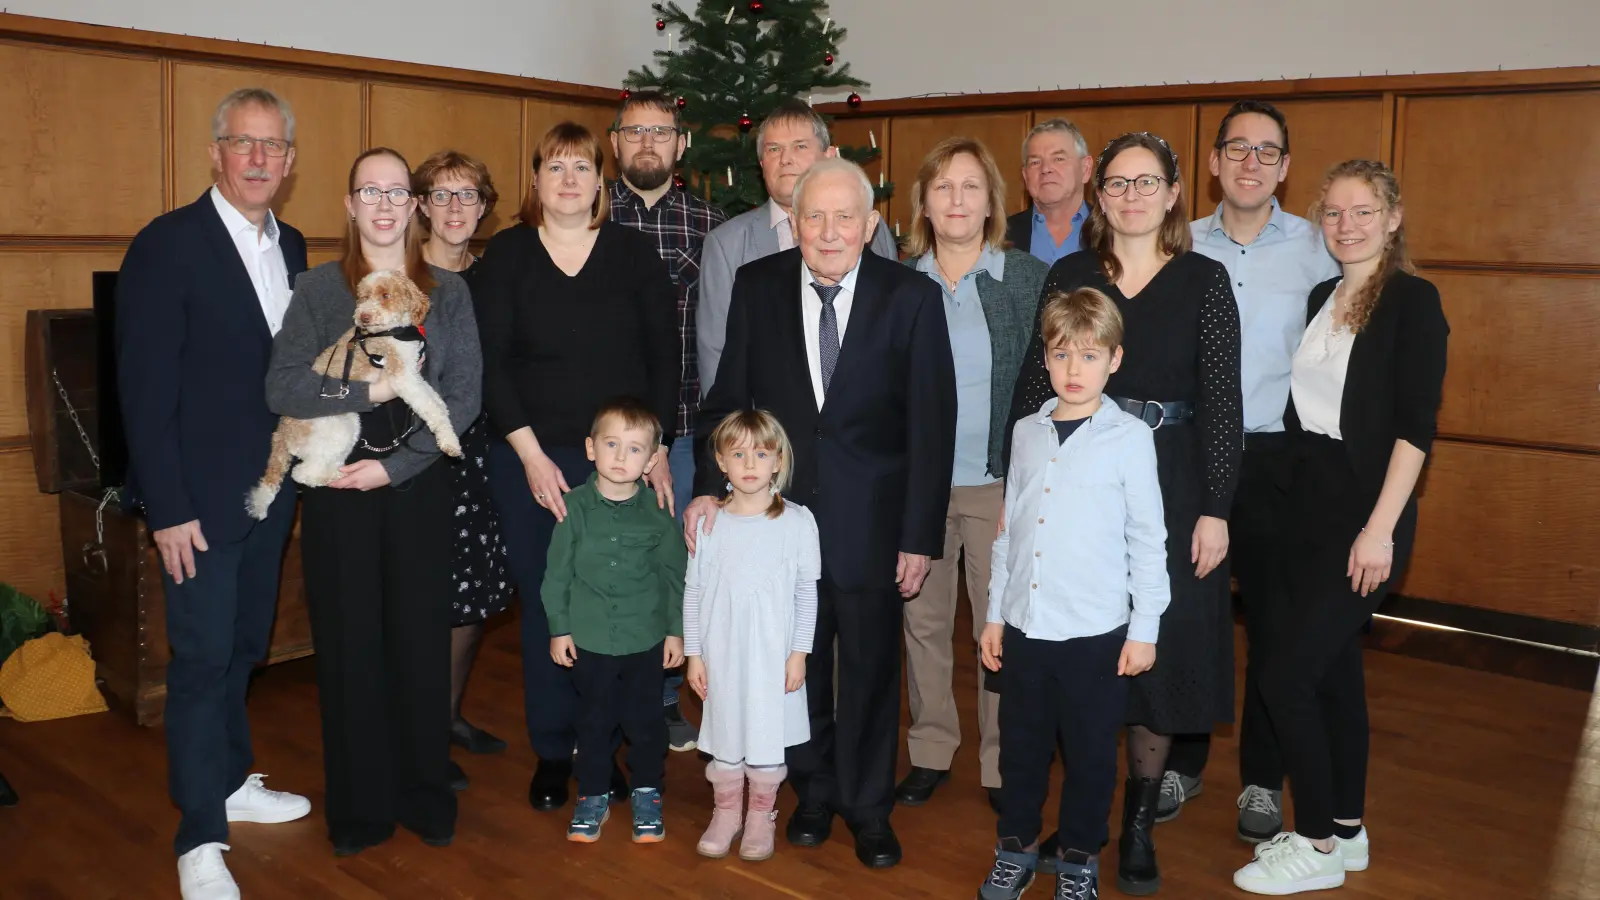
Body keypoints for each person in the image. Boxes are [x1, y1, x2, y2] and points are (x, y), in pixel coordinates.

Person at [686, 157, 957, 869]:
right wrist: (705, 489)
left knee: (868, 668)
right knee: (791, 667)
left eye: (845, 217)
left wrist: (918, 536)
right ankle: (809, 791)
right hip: (776, 527)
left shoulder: (911, 298)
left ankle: (869, 807)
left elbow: (933, 426)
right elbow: (726, 403)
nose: (830, 231)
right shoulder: (758, 287)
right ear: (794, 224)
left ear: (871, 225)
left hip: (874, 525)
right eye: (815, 216)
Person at [1005, 131, 1242, 894]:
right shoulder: (1072, 272)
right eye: (1117, 183)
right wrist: (1018, 485)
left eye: (1148, 183)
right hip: (1077, 472)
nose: (1132, 196)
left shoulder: (1205, 279)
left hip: (1171, 477)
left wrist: (1216, 508)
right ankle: (1082, 821)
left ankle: (1136, 823)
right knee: (1082, 658)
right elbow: (1032, 383)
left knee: (1158, 656)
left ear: (1175, 194)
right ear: (1097, 194)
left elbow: (1222, 403)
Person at [116, 86, 312, 900]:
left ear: (291, 161)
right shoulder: (167, 246)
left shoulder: (294, 245)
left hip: (269, 495)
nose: (259, 159)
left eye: (273, 146)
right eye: (244, 143)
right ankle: (198, 837)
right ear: (216, 152)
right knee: (198, 661)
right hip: (195, 501)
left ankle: (231, 783)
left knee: (242, 649)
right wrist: (168, 509)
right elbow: (144, 391)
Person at [1232, 160, 1447, 895]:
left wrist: (1380, 530)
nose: (1346, 225)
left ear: (1392, 219)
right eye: (1333, 214)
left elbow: (1415, 431)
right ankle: (1348, 832)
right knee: (1332, 679)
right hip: (1306, 510)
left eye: (1363, 212)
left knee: (1284, 676)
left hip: (1366, 518)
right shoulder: (1325, 295)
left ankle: (1316, 841)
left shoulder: (1414, 302)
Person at [264, 146, 481, 857]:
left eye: (397, 192)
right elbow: (284, 388)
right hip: (335, 492)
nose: (385, 205)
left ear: (414, 208)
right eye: (370, 191)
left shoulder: (446, 293)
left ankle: (423, 793)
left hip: (416, 489)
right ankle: (358, 807)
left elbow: (465, 397)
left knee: (419, 646)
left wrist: (397, 469)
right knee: (351, 650)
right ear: (351, 205)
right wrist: (366, 398)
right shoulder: (319, 290)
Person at [474, 121, 678, 813]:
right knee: (552, 606)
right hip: (534, 461)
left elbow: (663, 358)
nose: (567, 180)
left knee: (620, 608)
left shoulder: (632, 254)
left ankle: (607, 749)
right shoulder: (505, 256)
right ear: (536, 181)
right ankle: (554, 751)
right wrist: (529, 455)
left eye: (581, 168)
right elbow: (491, 365)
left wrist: (657, 452)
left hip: (622, 464)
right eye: (554, 168)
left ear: (601, 182)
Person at [1164, 101, 1341, 838]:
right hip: (1192, 454)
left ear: (1285, 167)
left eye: (1267, 152)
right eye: (1236, 148)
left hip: (1275, 459)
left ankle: (1263, 780)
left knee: (1273, 626)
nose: (1249, 163)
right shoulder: (1178, 243)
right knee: (1186, 618)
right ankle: (1182, 758)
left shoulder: (1317, 248)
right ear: (1212, 162)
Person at [976, 287, 1169, 900]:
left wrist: (1145, 629)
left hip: (1096, 635)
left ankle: (1079, 858)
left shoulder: (1130, 438)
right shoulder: (1028, 432)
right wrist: (994, 616)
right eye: (1062, 356)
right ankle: (1016, 848)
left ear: (1114, 359)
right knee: (1022, 754)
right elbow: (1010, 531)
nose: (1074, 370)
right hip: (1027, 628)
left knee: (1090, 757)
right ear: (1047, 360)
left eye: (1089, 356)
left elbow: (1148, 539)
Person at [893, 137, 1048, 811]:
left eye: (970, 187)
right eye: (943, 187)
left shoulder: (1026, 279)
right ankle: (929, 748)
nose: (956, 200)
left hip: (998, 483)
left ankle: (999, 759)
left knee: (999, 626)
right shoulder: (898, 281)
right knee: (922, 623)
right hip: (917, 486)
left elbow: (1047, 384)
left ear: (992, 201)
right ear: (923, 202)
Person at [607, 90, 728, 754]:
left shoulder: (712, 227)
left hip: (684, 430)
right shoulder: (589, 220)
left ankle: (659, 702)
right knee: (609, 569)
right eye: (633, 132)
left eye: (660, 132)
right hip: (603, 439)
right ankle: (604, 701)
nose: (646, 142)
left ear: (681, 146)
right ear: (615, 144)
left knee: (673, 572)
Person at [542, 399, 686, 844]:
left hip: (645, 640)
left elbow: (674, 576)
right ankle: (592, 794)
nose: (622, 458)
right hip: (589, 641)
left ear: (652, 458)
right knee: (594, 722)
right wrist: (559, 628)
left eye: (635, 448)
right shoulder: (573, 509)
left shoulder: (658, 513)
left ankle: (647, 792)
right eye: (611, 444)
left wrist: (675, 631)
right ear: (590, 449)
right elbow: (556, 576)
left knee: (646, 723)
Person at [413, 149, 511, 790]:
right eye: (442, 195)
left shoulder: (497, 275)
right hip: (416, 458)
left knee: (474, 594)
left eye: (468, 196)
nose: (455, 208)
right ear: (420, 204)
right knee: (423, 600)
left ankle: (447, 716)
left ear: (483, 207)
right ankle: (419, 733)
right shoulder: (401, 277)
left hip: (487, 453)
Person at [684, 409, 821, 863]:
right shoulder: (710, 523)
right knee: (725, 734)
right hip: (722, 655)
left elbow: (806, 595)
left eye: (760, 453)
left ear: (778, 461)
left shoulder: (798, 523)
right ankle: (727, 812)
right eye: (738, 453)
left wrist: (799, 653)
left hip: (771, 657)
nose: (749, 463)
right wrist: (694, 654)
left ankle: (761, 814)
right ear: (721, 462)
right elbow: (694, 592)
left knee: (765, 736)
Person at [696, 98, 899, 393]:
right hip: (763, 430)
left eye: (800, 146)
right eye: (773, 149)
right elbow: (716, 354)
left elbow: (891, 337)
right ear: (762, 163)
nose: (785, 159)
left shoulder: (874, 235)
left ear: (829, 155)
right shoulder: (726, 244)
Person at [1005, 118, 1093, 266]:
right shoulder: (999, 236)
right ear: (1025, 176)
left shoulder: (1113, 231)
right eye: (1035, 162)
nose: (1046, 169)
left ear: (1085, 169)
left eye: (1059, 159)